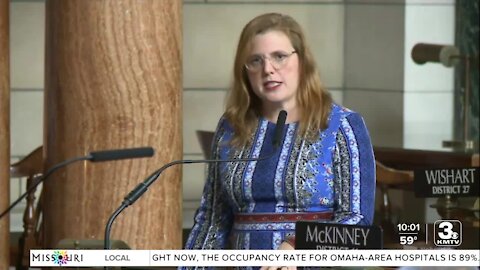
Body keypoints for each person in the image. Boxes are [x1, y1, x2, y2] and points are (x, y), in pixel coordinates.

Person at [184, 12, 376, 269]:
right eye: (255, 60)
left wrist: (297, 246)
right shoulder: (231, 127)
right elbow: (212, 220)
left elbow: (358, 220)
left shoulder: (342, 125)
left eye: (279, 57)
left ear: (303, 61)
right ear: (245, 71)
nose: (268, 69)